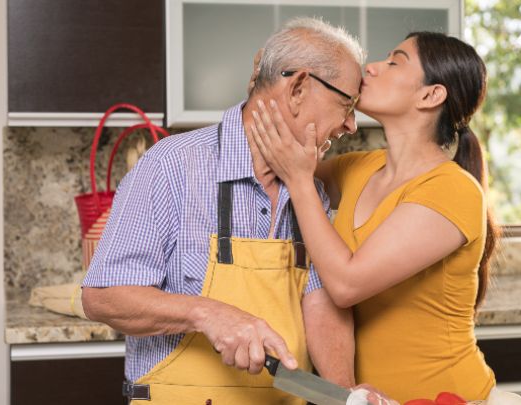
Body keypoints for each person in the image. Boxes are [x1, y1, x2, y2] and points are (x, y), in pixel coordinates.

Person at [80, 17, 364, 404]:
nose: (350, 124)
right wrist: (208, 314)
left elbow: (319, 302)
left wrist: (345, 395)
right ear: (298, 87)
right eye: (346, 103)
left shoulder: (309, 190)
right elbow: (102, 297)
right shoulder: (173, 166)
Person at [248, 31, 499, 402]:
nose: (373, 68)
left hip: (446, 397)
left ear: (431, 95)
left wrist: (300, 180)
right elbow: (275, 169)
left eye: (395, 62)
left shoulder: (452, 190)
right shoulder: (360, 168)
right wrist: (270, 83)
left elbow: (346, 285)